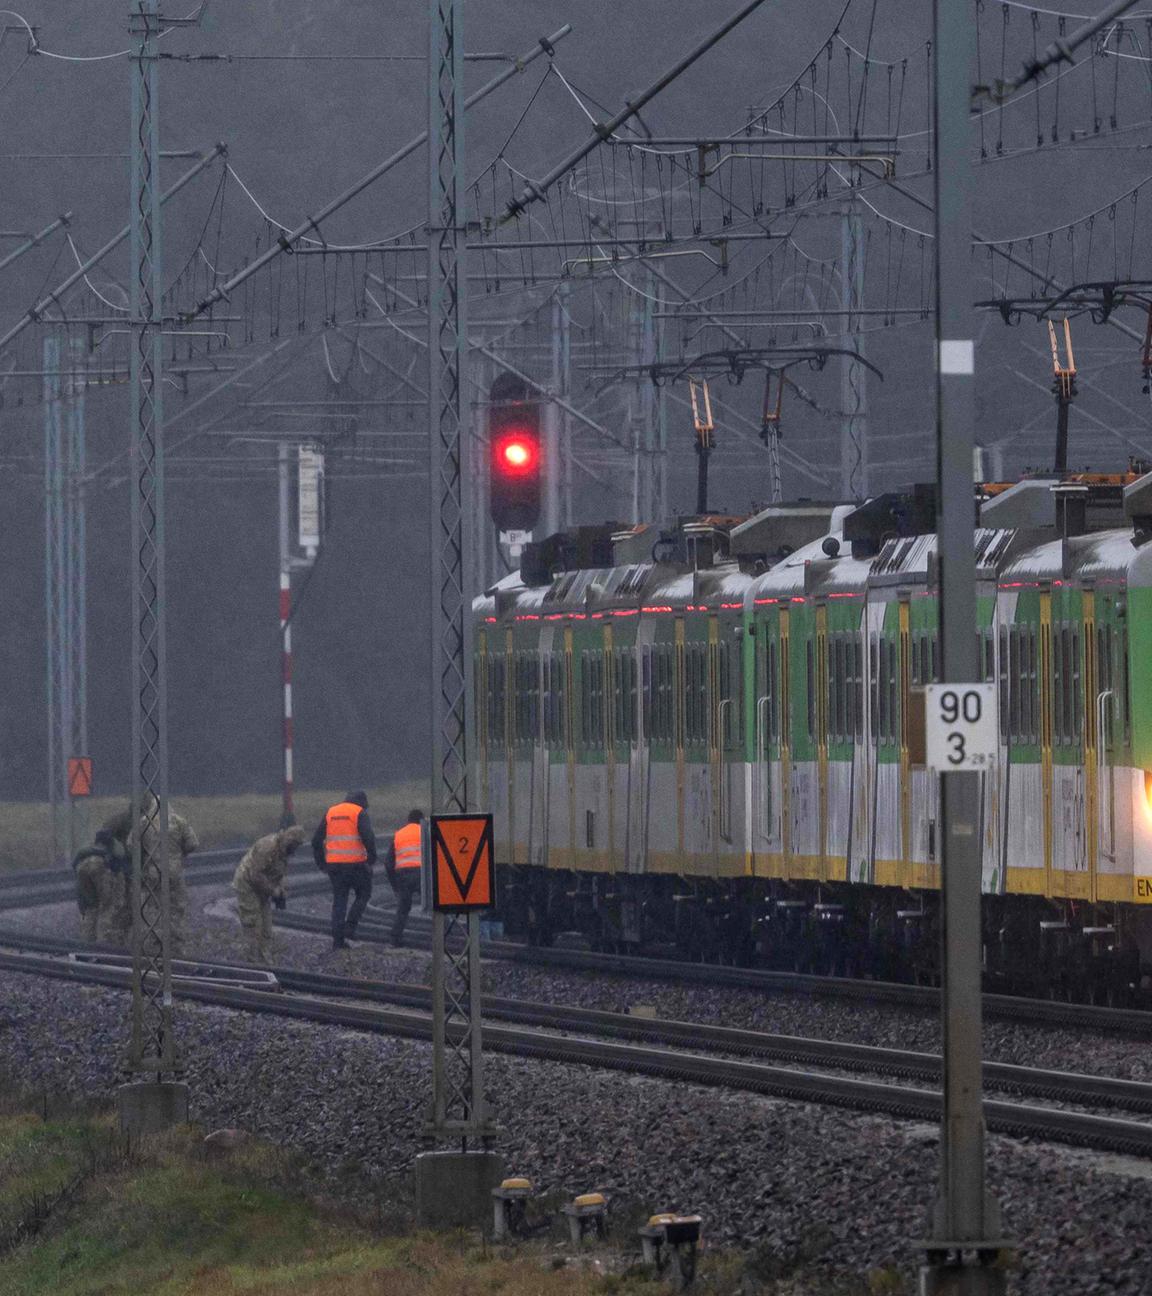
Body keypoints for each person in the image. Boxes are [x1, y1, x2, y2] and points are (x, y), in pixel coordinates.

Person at [127, 794, 200, 952]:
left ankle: (156, 943)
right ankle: (175, 944)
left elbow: (131, 844)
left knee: (155, 907)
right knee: (176, 907)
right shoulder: (178, 821)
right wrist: (180, 853)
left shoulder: (144, 822)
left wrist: (145, 855)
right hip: (174, 871)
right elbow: (193, 844)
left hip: (152, 871)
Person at [311, 791, 376, 950]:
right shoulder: (359, 813)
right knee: (364, 893)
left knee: (339, 901)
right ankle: (350, 926)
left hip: (335, 867)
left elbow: (316, 840)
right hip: (356, 865)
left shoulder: (331, 812)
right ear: (362, 803)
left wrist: (322, 863)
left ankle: (338, 941)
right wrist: (371, 860)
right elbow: (368, 838)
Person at [232, 826, 307, 963]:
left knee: (266, 925)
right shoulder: (267, 847)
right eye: (296, 845)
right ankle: (252, 960)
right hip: (247, 884)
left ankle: (264, 958)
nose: (296, 849)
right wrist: (273, 890)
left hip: (263, 887)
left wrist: (281, 888)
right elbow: (255, 875)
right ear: (290, 841)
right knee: (253, 922)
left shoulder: (283, 851)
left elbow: (280, 872)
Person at [71, 830, 129, 944]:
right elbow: (121, 866)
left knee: (91, 907)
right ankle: (103, 943)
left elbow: (75, 867)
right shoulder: (115, 848)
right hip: (100, 867)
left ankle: (86, 943)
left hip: (81, 868)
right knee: (107, 906)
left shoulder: (86, 850)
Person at [384, 808, 425, 946]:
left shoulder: (399, 834)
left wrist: (394, 885)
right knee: (434, 905)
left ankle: (395, 938)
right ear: (421, 820)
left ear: (408, 820)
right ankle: (444, 934)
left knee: (403, 908)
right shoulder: (426, 832)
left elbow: (388, 863)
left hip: (403, 874)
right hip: (422, 873)